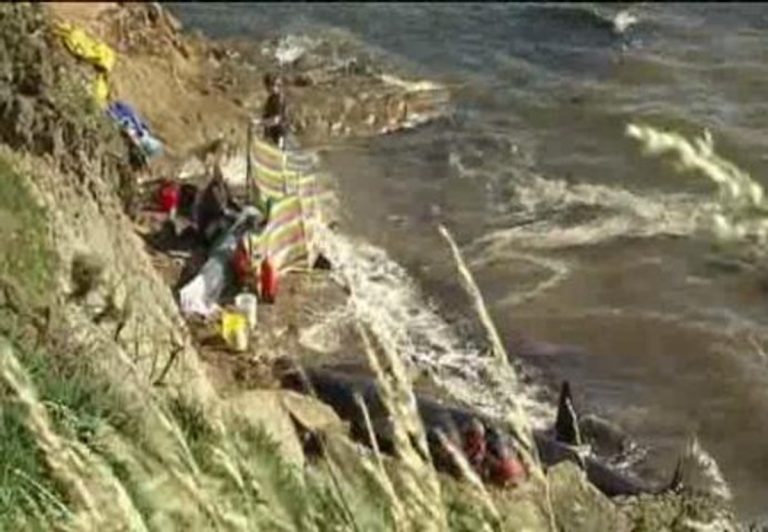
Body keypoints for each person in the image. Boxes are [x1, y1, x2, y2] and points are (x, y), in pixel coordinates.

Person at [261, 72, 287, 148]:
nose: (267, 88)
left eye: (268, 86)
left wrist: (259, 122)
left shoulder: (279, 99)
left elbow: (276, 120)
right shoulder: (271, 98)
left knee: (278, 150)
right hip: (271, 134)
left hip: (279, 135)